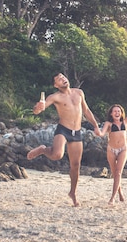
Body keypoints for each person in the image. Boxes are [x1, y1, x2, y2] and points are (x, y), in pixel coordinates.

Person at [27, 73, 102, 207]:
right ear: (56, 85)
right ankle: (43, 150)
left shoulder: (79, 93)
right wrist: (37, 108)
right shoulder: (55, 97)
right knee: (57, 155)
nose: (63, 80)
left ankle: (73, 193)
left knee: (75, 166)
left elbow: (86, 110)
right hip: (63, 130)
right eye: (59, 80)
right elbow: (38, 110)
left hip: (77, 132)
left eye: (63, 77)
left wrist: (96, 126)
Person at [98, 89, 127, 207]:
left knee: (119, 172)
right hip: (111, 149)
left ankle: (112, 198)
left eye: (119, 111)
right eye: (114, 111)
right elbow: (102, 133)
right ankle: (120, 192)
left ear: (121, 113)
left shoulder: (125, 122)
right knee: (114, 172)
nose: (117, 113)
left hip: (123, 149)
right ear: (111, 114)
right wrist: (98, 133)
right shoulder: (109, 124)